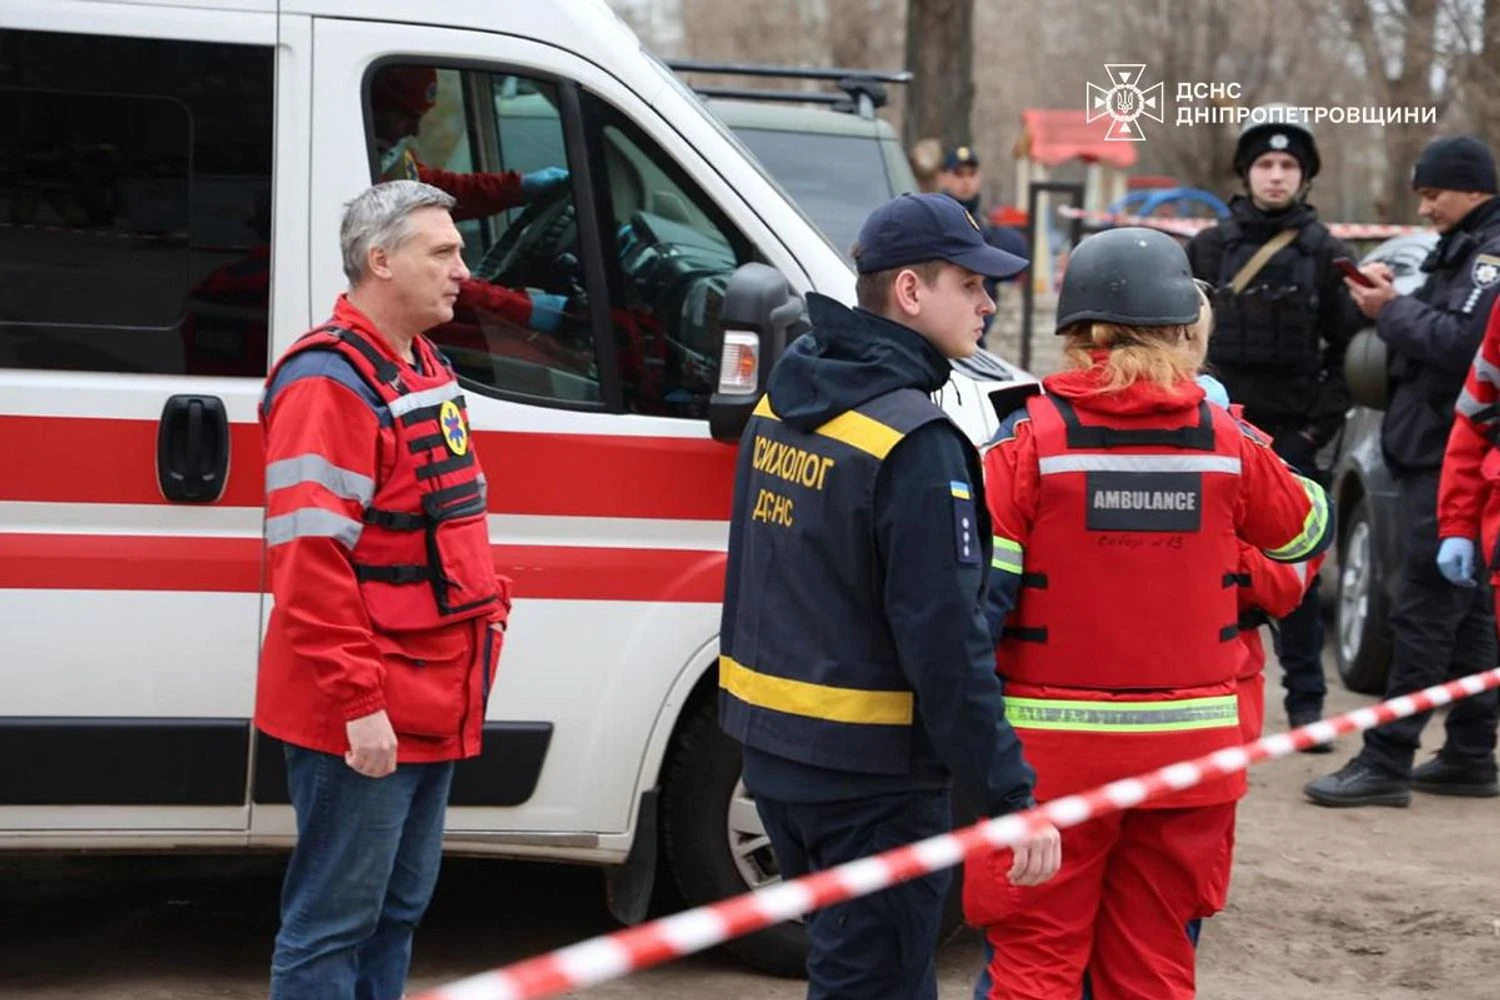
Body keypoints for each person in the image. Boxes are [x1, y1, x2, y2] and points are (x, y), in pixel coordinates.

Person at [964, 227, 1333, 1000]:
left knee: (1036, 965)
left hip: (1051, 763)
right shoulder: (1228, 441)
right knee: (1154, 966)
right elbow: (1303, 532)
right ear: (1180, 328)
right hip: (1191, 761)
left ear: (1077, 331)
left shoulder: (1027, 441)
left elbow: (981, 607)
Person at [718, 192, 1061, 1000]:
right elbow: (946, 644)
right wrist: (1009, 794)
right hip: (874, 783)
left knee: (855, 976)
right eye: (970, 284)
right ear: (910, 291)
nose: (987, 303)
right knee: (877, 984)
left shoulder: (783, 398)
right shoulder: (916, 441)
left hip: (775, 757)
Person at [257, 180, 513, 998]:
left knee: (396, 911)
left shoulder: (420, 363)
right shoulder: (329, 384)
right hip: (367, 709)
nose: (463, 271)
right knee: (334, 923)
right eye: (443, 252)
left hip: (429, 695)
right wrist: (360, 704)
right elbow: (308, 565)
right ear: (381, 261)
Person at [1305, 135, 1500, 807]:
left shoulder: (1489, 257)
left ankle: (1386, 760)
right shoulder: (1461, 249)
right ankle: (1471, 754)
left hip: (1450, 459)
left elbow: (1462, 346)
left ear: (1473, 187)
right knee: (1467, 616)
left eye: (1434, 193)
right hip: (1436, 452)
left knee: (1420, 613)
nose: (1425, 207)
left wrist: (1389, 311)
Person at [1185, 106, 1365, 743]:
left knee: (1296, 576)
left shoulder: (1327, 254)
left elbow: (1350, 357)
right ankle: (1204, 696)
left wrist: (1312, 434)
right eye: (1265, 163)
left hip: (1291, 439)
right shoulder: (1208, 248)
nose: (1276, 175)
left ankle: (1306, 708)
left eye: (1288, 165)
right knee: (1204, 570)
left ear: (1304, 176)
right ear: (1247, 172)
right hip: (1212, 438)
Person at [371, 64, 573, 333]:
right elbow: (422, 278)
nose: (415, 130)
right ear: (374, 106)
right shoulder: (352, 174)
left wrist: (517, 188)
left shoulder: (385, 159)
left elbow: (435, 190)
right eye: (405, 116)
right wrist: (525, 309)